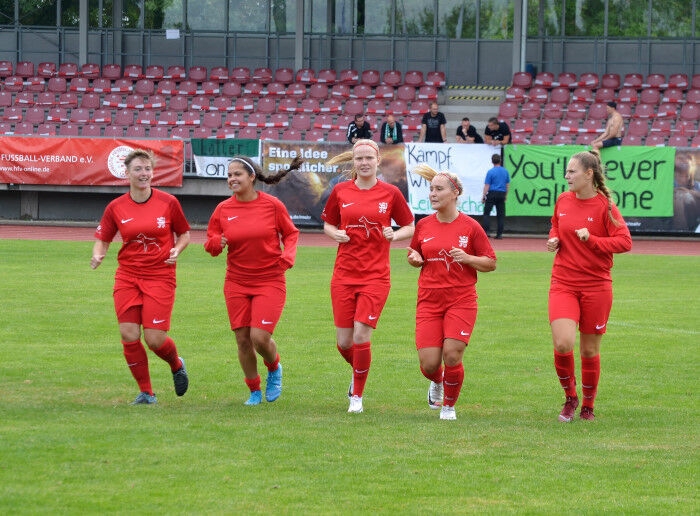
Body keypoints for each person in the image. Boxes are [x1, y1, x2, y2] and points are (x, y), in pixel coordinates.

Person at [322, 139, 415, 414]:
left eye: (369, 158)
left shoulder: (391, 193)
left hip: (376, 276)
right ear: (354, 161)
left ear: (378, 161)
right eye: (359, 158)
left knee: (361, 335)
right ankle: (359, 371)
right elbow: (328, 223)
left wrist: (394, 234)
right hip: (343, 275)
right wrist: (335, 234)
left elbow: (410, 226)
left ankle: (357, 397)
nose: (364, 163)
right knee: (344, 343)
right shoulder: (340, 191)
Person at [90, 149, 191, 405]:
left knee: (155, 339)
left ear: (153, 173)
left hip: (160, 276)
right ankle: (146, 392)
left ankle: (176, 364)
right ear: (127, 173)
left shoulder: (168, 202)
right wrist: (98, 254)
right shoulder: (116, 207)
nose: (143, 173)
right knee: (128, 334)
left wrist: (177, 250)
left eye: (147, 169)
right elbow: (103, 238)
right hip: (128, 276)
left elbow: (184, 234)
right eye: (138, 169)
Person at [204, 156, 302, 406]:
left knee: (259, 337)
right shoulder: (223, 209)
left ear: (251, 177)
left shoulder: (272, 205)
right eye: (229, 175)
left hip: (270, 280)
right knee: (243, 340)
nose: (232, 179)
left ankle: (274, 366)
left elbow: (291, 234)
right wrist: (215, 243)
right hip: (236, 282)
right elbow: (211, 243)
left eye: (237, 174)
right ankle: (254, 390)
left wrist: (288, 256)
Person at [546, 149, 632, 422]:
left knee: (589, 350)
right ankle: (570, 398)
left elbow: (625, 242)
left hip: (596, 286)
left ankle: (588, 407)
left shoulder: (605, 206)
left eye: (572, 171)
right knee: (563, 343)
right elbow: (556, 225)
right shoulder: (563, 199)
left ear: (588, 174)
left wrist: (592, 239)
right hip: (563, 282)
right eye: (567, 171)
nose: (567, 176)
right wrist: (554, 238)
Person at [407, 164, 496, 421]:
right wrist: (414, 259)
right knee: (429, 363)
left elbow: (490, 262)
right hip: (429, 300)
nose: (433, 194)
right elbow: (416, 254)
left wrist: (468, 258)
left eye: (439, 189)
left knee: (452, 354)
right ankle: (437, 380)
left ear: (455, 193)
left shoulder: (471, 227)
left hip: (461, 299)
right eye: (431, 189)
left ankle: (448, 406)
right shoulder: (423, 225)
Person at [481, 153, 511, 239]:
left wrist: (483, 196)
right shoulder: (505, 171)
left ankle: (486, 232)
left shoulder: (490, 172)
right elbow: (507, 185)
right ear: (500, 161)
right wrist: (506, 195)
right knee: (500, 215)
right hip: (501, 193)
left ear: (492, 161)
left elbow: (487, 185)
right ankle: (499, 234)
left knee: (486, 213)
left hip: (492, 193)